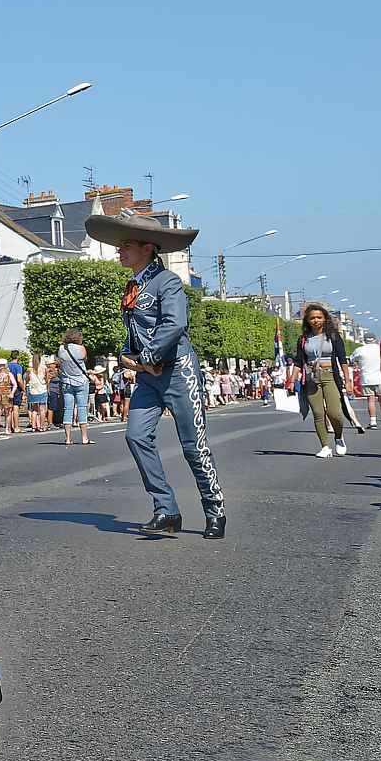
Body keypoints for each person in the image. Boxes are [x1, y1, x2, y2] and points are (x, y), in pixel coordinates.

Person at [84, 207, 226, 537]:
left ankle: (214, 510)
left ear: (148, 248)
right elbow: (132, 334)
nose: (119, 251)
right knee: (135, 435)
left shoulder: (168, 282)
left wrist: (146, 356)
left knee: (194, 446)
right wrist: (126, 356)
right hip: (149, 376)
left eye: (126, 245)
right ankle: (166, 508)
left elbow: (174, 324)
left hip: (179, 372)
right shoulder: (132, 287)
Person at [293, 302, 351, 458]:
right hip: (312, 378)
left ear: (325, 318)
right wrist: (291, 380)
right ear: (307, 320)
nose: (316, 320)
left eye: (319, 317)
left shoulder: (333, 336)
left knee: (335, 413)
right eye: (312, 318)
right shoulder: (303, 339)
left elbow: (342, 359)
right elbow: (298, 361)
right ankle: (325, 446)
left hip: (330, 375)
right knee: (318, 413)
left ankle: (338, 437)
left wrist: (348, 380)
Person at [57, 328, 92, 445]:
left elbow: (61, 363)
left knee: (68, 409)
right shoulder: (81, 349)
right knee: (82, 408)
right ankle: (84, 438)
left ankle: (67, 438)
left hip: (67, 382)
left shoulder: (61, 349)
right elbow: (84, 359)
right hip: (81, 381)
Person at [352, 324, 381, 430]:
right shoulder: (380, 349)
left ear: (364, 339)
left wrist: (358, 363)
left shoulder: (360, 350)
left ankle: (373, 422)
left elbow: (351, 359)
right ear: (375, 339)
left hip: (366, 378)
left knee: (370, 400)